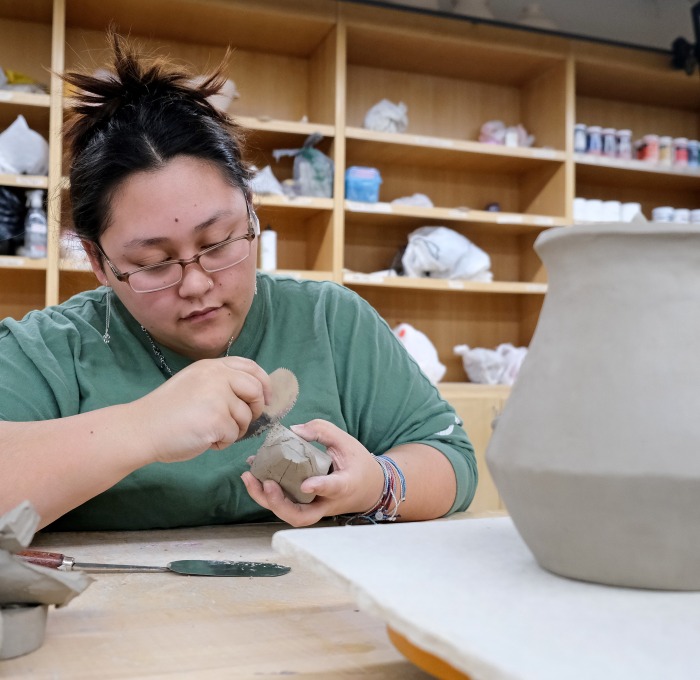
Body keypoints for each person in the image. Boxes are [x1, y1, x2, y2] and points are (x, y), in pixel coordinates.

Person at [0, 33, 477, 531]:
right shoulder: (51, 350)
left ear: (252, 213)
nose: (196, 284)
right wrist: (142, 427)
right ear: (99, 263)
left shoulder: (330, 321)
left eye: (219, 243)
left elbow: (451, 458)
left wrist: (378, 484)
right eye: (154, 264)